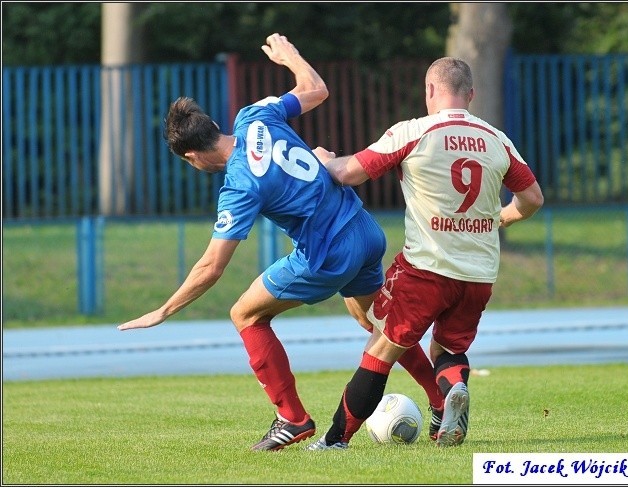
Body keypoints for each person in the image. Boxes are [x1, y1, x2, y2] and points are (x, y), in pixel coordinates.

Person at [117, 33, 444, 452]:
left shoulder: (238, 185)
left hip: (327, 254)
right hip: (363, 229)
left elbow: (211, 267)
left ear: (192, 157)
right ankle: (440, 400)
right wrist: (291, 57)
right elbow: (315, 90)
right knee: (380, 325)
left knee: (246, 315)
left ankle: (291, 417)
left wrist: (163, 310)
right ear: (215, 125)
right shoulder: (254, 116)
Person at [306, 57, 544, 450]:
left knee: (380, 349)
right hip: (479, 273)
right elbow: (532, 198)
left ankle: (335, 440)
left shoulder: (414, 132)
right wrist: (500, 218)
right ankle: (451, 393)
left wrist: (325, 160)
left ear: (430, 90)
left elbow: (350, 173)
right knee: (449, 348)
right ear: (471, 95)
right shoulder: (497, 139)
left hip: (426, 268)